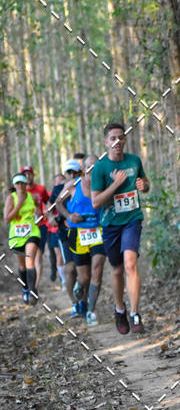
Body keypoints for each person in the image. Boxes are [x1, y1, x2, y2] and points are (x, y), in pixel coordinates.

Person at [91, 122, 149, 334]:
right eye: (113, 138)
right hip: (110, 224)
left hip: (132, 220)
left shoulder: (134, 161)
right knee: (116, 269)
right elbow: (96, 203)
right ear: (106, 142)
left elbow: (145, 182)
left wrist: (144, 185)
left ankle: (135, 313)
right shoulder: (100, 168)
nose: (117, 142)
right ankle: (120, 309)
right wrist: (115, 185)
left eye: (121, 137)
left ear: (124, 140)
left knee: (130, 264)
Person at [57, 154, 106, 325]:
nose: (93, 170)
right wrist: (69, 215)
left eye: (96, 166)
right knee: (84, 278)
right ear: (83, 169)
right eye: (90, 167)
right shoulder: (73, 185)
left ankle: (91, 311)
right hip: (77, 234)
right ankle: (80, 290)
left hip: (99, 232)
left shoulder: (104, 184)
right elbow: (58, 203)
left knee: (98, 270)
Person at [4, 173, 42, 304]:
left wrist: (38, 211)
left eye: (23, 183)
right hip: (16, 237)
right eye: (18, 183)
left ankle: (33, 291)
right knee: (22, 266)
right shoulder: (11, 198)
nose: (20, 186)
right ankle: (25, 288)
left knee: (29, 261)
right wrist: (19, 204)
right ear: (14, 185)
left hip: (32, 233)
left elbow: (38, 210)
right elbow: (7, 219)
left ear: (26, 185)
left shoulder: (32, 197)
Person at [21, 165, 49, 289]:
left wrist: (48, 212)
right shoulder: (19, 192)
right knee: (28, 258)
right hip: (25, 227)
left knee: (38, 257)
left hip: (40, 225)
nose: (27, 176)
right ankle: (29, 284)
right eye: (25, 174)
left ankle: (35, 287)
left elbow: (48, 203)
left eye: (29, 173)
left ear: (33, 175)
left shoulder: (41, 189)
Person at [47, 173, 68, 290]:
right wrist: (50, 217)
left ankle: (69, 278)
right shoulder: (52, 194)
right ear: (54, 184)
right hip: (54, 229)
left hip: (69, 227)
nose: (61, 183)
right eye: (59, 181)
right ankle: (64, 280)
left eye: (63, 180)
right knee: (58, 255)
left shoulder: (70, 189)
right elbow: (48, 208)